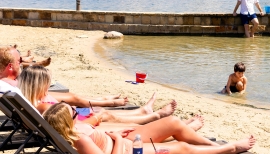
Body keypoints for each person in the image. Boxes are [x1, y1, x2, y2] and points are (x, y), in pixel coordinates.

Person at [44, 102, 256, 154]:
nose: (77, 112)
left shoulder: (77, 128)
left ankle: (208, 143)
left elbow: (92, 126)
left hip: (123, 143)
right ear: (67, 122)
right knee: (180, 147)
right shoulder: (80, 141)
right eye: (74, 112)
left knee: (171, 122)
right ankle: (228, 148)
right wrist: (117, 139)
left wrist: (117, 130)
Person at [18, 65, 180, 127]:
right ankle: (153, 115)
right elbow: (69, 125)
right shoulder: (43, 106)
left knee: (101, 111)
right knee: (104, 114)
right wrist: (94, 118)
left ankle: (143, 111)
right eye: (46, 83)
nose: (48, 85)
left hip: (74, 116)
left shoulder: (32, 101)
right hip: (77, 123)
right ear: (37, 86)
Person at [0, 45, 128, 107]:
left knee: (73, 96)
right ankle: (109, 102)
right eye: (19, 62)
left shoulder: (6, 81)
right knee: (74, 98)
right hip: (35, 98)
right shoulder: (11, 83)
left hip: (32, 96)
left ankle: (103, 98)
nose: (20, 64)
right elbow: (30, 87)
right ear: (10, 67)